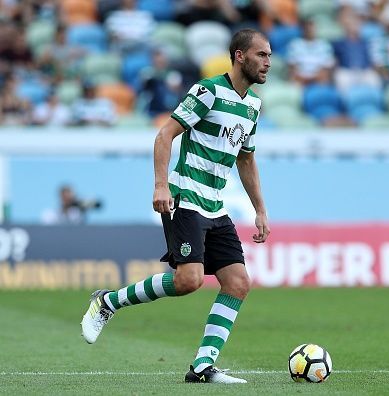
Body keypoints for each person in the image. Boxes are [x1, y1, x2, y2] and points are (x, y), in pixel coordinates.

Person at [80, 29, 271, 385]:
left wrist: (260, 209)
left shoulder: (253, 106)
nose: (268, 62)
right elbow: (165, 134)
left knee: (238, 282)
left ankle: (203, 367)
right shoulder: (208, 91)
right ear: (240, 56)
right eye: (261, 55)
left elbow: (246, 159)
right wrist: (160, 183)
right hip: (185, 197)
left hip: (215, 205)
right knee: (189, 280)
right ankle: (108, 302)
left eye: (270, 56)